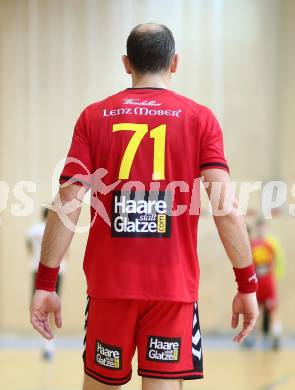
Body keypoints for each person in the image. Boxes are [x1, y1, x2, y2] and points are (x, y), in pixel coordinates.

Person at [30, 23, 259, 390]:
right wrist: (247, 284)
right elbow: (226, 206)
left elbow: (68, 202)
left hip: (109, 289)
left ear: (126, 63)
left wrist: (45, 283)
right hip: (172, 290)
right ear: (175, 63)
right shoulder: (200, 119)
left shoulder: (93, 117)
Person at [27, 207, 66, 360]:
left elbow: (29, 249)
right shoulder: (58, 230)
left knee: (39, 308)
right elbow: (66, 252)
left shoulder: (32, 230)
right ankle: (49, 345)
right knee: (51, 307)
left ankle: (46, 343)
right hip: (57, 271)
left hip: (38, 271)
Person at [250, 218, 285, 349]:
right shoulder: (252, 244)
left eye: (262, 227)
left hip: (268, 284)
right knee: (256, 311)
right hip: (257, 284)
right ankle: (254, 338)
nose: (260, 230)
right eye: (258, 227)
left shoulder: (271, 243)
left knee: (272, 311)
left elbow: (279, 260)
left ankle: (276, 336)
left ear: (266, 228)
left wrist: (276, 275)